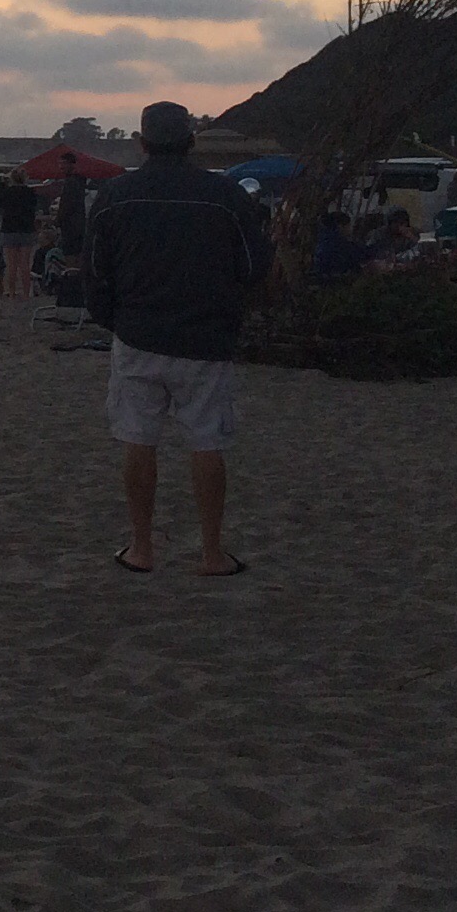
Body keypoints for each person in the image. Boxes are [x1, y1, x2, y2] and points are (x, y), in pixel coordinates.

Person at [85, 101, 272, 575]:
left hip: (138, 335)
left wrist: (114, 319)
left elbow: (95, 272)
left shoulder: (115, 196)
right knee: (206, 441)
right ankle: (211, 552)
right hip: (205, 337)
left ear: (142, 143)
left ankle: (141, 547)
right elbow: (255, 266)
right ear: (191, 142)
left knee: (138, 439)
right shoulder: (225, 195)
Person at [0, 170, 42, 296]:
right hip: (26, 229)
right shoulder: (30, 192)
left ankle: (12, 292)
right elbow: (35, 206)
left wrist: (2, 185)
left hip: (9, 229)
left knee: (11, 265)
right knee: (25, 264)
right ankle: (26, 293)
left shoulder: (7, 192)